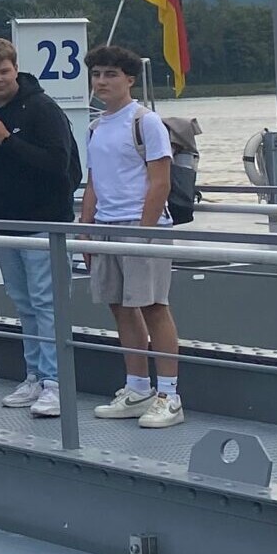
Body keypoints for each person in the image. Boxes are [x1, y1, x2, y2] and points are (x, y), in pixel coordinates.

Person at [0, 36, 81, 418]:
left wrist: (6, 139)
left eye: (4, 71)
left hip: (45, 221)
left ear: (16, 68)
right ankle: (34, 375)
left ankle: (55, 382)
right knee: (24, 302)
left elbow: (58, 166)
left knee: (48, 303)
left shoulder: (42, 108)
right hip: (4, 221)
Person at [80, 44, 185, 429]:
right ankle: (137, 387)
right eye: (96, 74)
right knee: (120, 307)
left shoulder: (145, 122)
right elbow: (94, 183)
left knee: (154, 306)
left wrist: (144, 231)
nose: (102, 82)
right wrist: (87, 230)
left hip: (142, 228)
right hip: (107, 228)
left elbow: (160, 182)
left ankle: (170, 395)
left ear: (129, 79)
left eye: (110, 74)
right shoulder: (95, 126)